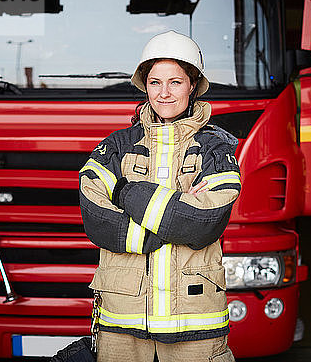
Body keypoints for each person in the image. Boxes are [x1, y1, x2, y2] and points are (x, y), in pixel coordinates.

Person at [78, 30, 240, 362]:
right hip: (123, 317)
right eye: (155, 82)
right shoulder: (117, 144)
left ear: (192, 85)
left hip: (195, 318)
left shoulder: (216, 147)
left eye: (175, 82)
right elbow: (95, 218)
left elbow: (201, 223)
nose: (164, 93)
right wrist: (171, 214)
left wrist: (124, 192)